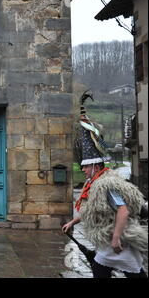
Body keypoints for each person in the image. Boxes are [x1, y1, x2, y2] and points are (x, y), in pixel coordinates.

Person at [62, 90, 147, 278]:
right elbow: (93, 210)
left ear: (95, 166)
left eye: (85, 167)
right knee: (103, 269)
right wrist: (73, 222)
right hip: (110, 240)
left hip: (118, 239)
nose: (83, 170)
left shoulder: (106, 184)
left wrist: (116, 237)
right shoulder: (97, 184)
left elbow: (122, 210)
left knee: (124, 271)